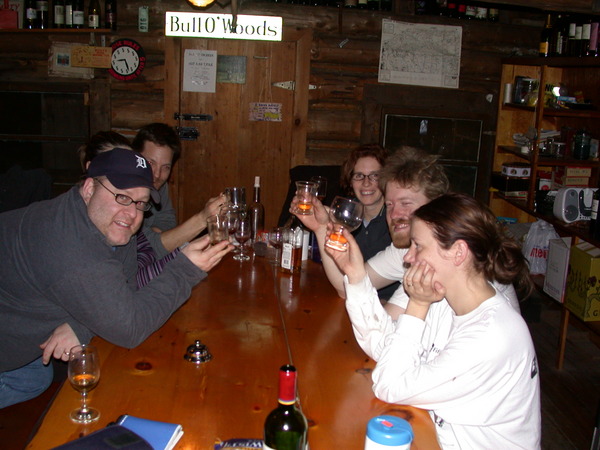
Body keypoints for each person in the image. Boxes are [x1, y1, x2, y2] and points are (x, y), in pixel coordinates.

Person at [0, 147, 232, 408]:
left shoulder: (95, 220)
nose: (132, 213)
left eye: (140, 203)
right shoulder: (71, 246)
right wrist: (185, 269)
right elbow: (130, 328)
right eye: (121, 196)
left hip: (21, 341)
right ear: (89, 190)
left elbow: (126, 284)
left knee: (35, 376)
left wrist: (81, 325)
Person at [329, 193, 540, 448]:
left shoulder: (493, 336)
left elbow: (390, 385)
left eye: (418, 246)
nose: (408, 257)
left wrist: (417, 305)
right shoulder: (443, 300)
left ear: (458, 252)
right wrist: (356, 274)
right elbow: (388, 351)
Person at [131, 123, 225, 258]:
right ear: (134, 156)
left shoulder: (158, 185)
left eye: (166, 167)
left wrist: (155, 235)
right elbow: (149, 248)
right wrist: (203, 218)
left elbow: (167, 220)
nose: (157, 174)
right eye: (150, 163)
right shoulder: (124, 193)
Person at [339, 144, 396, 300]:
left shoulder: (396, 220)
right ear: (350, 181)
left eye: (374, 176)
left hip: (386, 306)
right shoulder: (344, 216)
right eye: (358, 175)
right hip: (348, 298)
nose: (366, 183)